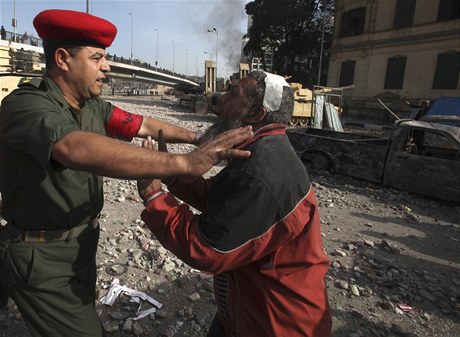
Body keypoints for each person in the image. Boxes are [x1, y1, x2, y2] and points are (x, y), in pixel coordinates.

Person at [0, 9, 252, 337]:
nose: (107, 67)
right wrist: (187, 163)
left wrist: (198, 138)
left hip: (80, 245)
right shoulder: (26, 104)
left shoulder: (91, 105)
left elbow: (141, 124)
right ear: (62, 58)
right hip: (40, 253)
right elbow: (75, 149)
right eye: (97, 58)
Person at [138, 71, 332, 337]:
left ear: (255, 114)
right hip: (246, 310)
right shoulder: (262, 148)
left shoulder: (261, 171)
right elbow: (222, 198)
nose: (221, 99)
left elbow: (207, 247)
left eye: (233, 94)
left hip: (276, 324)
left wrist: (154, 196)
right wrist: (171, 173)